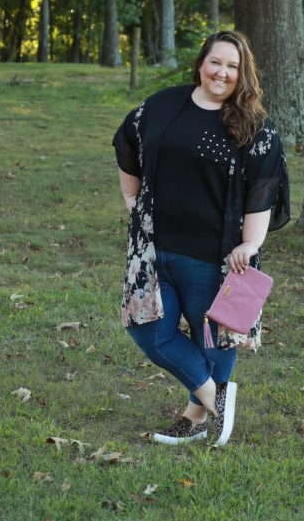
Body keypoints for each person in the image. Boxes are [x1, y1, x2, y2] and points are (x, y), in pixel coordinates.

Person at [113, 30, 289, 446]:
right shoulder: (162, 105)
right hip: (154, 248)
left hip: (214, 256)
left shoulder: (254, 126)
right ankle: (216, 397)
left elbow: (264, 187)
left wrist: (250, 244)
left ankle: (194, 418)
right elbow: (127, 140)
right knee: (149, 330)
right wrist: (130, 198)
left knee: (212, 336)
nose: (222, 73)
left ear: (242, 74)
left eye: (232, 67)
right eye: (216, 62)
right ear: (201, 64)